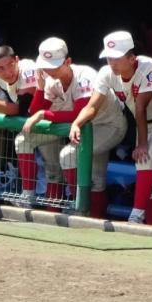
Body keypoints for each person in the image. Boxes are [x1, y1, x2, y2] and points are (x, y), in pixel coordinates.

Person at [69, 30, 152, 225]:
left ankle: (136, 216)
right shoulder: (107, 73)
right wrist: (77, 123)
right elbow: (92, 105)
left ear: (132, 58)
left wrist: (141, 144)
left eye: (116, 58)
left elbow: (141, 108)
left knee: (144, 160)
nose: (112, 63)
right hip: (144, 127)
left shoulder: (150, 66)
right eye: (109, 58)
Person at [20, 37, 126, 217]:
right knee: (96, 180)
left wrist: (43, 114)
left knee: (69, 156)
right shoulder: (49, 80)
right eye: (45, 65)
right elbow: (35, 112)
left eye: (54, 65)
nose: (48, 69)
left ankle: (80, 207)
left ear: (68, 62)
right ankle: (32, 198)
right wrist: (39, 88)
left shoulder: (86, 76)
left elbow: (80, 112)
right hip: (83, 128)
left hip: (108, 125)